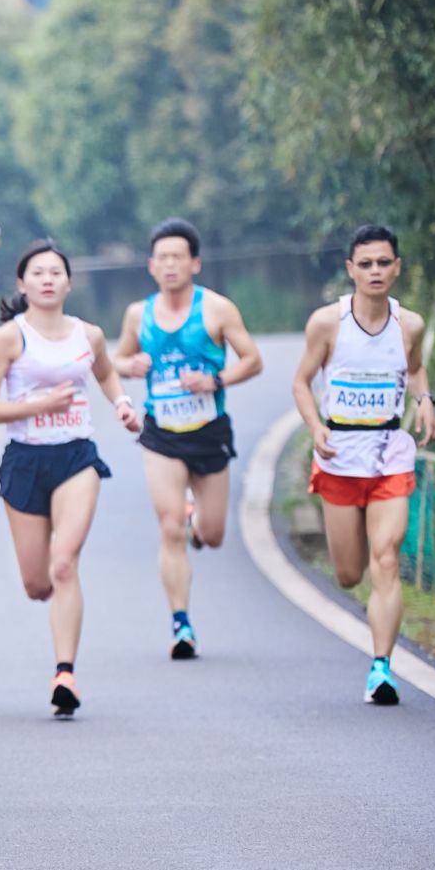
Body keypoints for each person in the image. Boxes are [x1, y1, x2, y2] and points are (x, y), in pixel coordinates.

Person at [0, 241, 141, 716]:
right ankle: (53, 620)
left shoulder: (88, 335)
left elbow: (107, 375)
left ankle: (64, 672)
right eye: (37, 273)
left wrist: (123, 404)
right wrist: (37, 406)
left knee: (64, 564)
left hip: (75, 458)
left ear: (69, 282)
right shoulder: (11, 337)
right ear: (22, 285)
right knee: (38, 584)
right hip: (24, 460)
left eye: (56, 272)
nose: (47, 279)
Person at [292, 224, 435, 704]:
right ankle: (376, 651)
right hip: (339, 459)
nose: (375, 271)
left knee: (387, 557)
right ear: (351, 269)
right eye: (366, 264)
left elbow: (414, 366)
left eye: (384, 263)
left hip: (389, 453)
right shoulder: (326, 324)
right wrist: (316, 428)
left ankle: (381, 668)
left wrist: (425, 398)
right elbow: (301, 382)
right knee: (351, 573)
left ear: (397, 267)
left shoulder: (408, 325)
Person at [113, 218, 263, 659]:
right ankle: (181, 623)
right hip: (161, 433)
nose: (170, 264)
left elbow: (252, 360)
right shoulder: (138, 314)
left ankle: (199, 519)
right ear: (151, 266)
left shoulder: (216, 309)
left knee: (212, 535)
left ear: (194, 263)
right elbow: (117, 360)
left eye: (178, 256)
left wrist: (216, 380)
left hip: (209, 431)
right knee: (169, 526)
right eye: (162, 258)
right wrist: (131, 365)